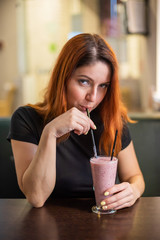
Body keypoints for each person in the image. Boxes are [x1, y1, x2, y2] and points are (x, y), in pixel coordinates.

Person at [7, 33, 145, 209]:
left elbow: (135, 177)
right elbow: (36, 197)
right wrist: (51, 132)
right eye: (84, 82)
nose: (93, 97)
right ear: (63, 78)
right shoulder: (26, 119)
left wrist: (133, 190)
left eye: (103, 86)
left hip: (103, 223)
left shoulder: (111, 120)